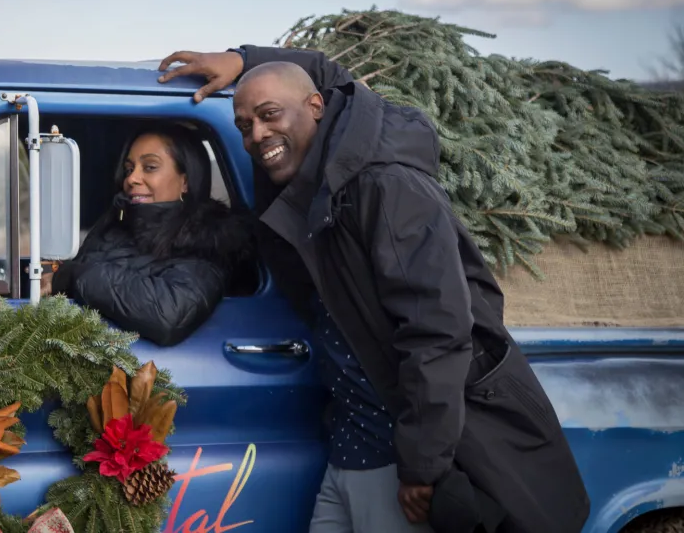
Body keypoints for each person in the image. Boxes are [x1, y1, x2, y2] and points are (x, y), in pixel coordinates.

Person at [156, 46, 590, 533]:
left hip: (397, 461)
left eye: (269, 115)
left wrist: (422, 468)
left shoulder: (386, 187)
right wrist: (243, 58)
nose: (256, 135)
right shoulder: (309, 185)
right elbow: (326, 73)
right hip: (349, 449)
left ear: (316, 108)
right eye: (244, 126)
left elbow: (438, 330)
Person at [43, 123, 252, 347]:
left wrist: (73, 276)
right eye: (129, 169)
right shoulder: (116, 223)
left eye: (150, 167)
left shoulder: (208, 241)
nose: (132, 178)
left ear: (186, 181)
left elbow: (168, 314)